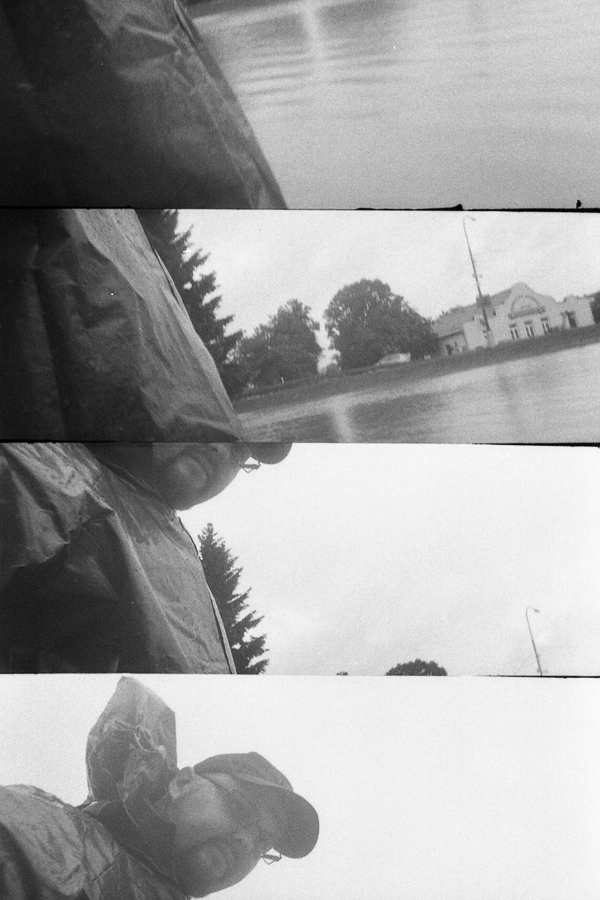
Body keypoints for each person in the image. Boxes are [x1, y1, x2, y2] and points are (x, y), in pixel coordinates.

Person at [0, 677, 319, 899]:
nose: (246, 842)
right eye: (241, 808)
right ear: (182, 783)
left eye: (263, 843)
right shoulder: (38, 832)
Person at [0, 440, 291, 673]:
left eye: (240, 450)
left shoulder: (179, 550)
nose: (220, 449)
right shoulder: (44, 472)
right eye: (213, 422)